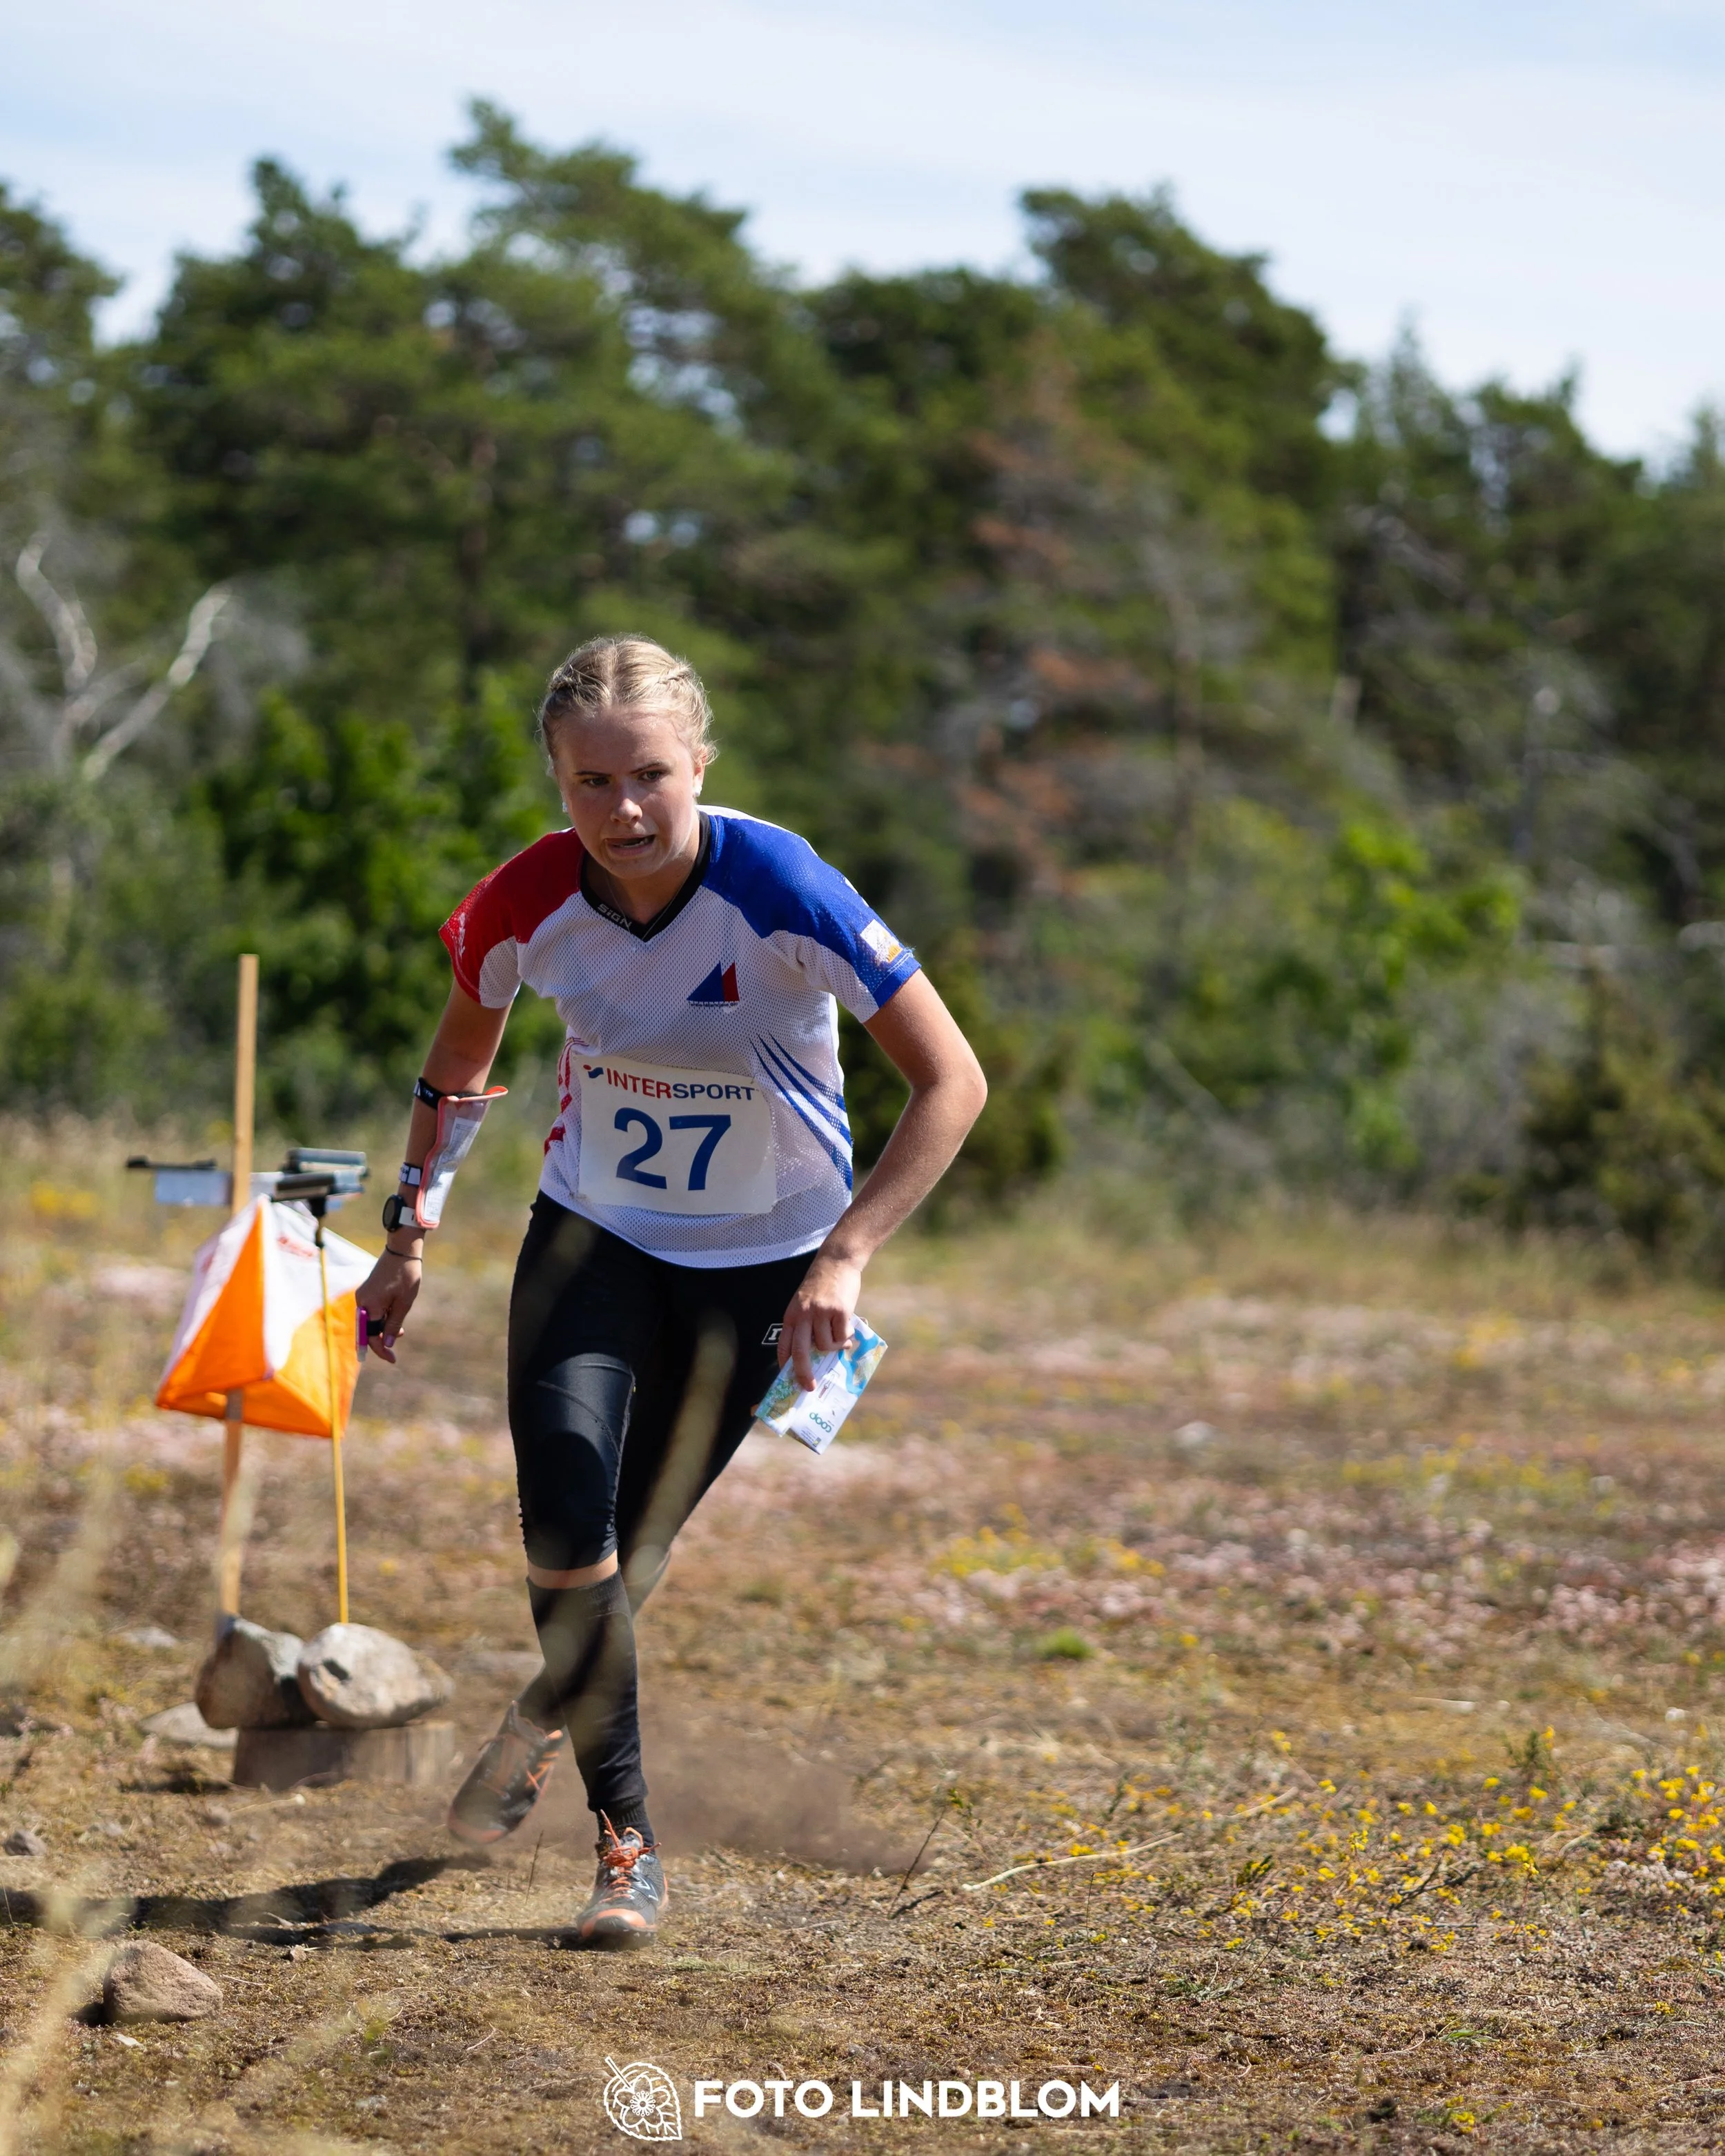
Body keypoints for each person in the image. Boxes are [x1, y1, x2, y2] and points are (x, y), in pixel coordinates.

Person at [357, 634, 986, 1948]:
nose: (624, 809)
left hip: (763, 1268)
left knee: (627, 1556)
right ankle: (626, 1846)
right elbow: (458, 1068)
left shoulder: (783, 888)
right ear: (557, 780)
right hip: (592, 1238)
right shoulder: (524, 901)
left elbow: (953, 1082)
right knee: (564, 1527)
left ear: (700, 762)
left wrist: (845, 1257)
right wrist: (408, 1236)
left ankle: (545, 1713)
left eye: (649, 774)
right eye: (590, 782)